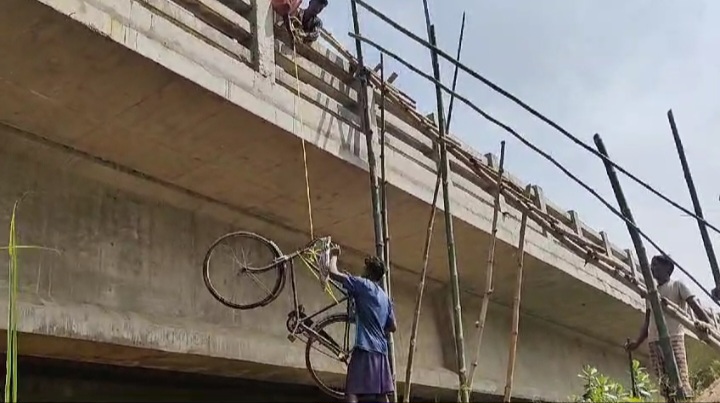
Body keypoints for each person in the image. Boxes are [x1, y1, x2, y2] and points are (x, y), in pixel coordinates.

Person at [625, 254, 710, 400]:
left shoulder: (677, 285)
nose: (652, 268)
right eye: (651, 265)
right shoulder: (651, 293)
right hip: (654, 341)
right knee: (664, 383)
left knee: (680, 378)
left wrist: (707, 323)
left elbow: (695, 307)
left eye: (655, 265)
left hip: (673, 338)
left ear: (667, 268)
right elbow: (648, 321)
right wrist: (636, 343)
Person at [322, 246, 396, 403]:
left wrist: (334, 255)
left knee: (352, 391)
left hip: (365, 347)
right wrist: (373, 319)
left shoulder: (362, 284)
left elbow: (333, 273)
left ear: (369, 271)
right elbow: (392, 326)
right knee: (381, 394)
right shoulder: (385, 297)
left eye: (365, 268)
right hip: (381, 351)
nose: (362, 270)